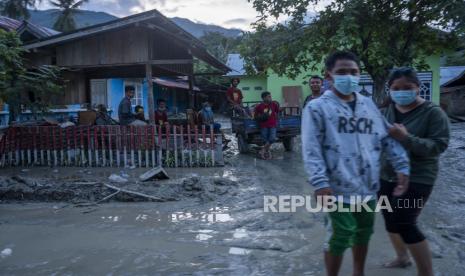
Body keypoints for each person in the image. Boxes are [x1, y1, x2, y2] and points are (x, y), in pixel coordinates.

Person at [301, 51, 410, 276]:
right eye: (342, 72)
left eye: (354, 72)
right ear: (328, 75)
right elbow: (311, 148)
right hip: (336, 187)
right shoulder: (317, 108)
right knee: (340, 234)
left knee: (363, 232)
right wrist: (320, 184)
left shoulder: (368, 105)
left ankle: (358, 272)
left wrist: (402, 166)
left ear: (359, 74)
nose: (348, 77)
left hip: (368, 186)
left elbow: (386, 136)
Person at [378, 67, 450, 276]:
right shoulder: (386, 111)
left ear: (418, 87)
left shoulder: (433, 113)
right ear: (389, 89)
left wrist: (406, 138)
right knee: (390, 218)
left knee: (406, 222)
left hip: (418, 177)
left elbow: (438, 146)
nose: (401, 92)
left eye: (407, 87)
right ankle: (402, 257)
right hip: (385, 174)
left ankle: (426, 272)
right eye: (396, 88)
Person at [254, 91, 280, 159]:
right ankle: (267, 152)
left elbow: (278, 111)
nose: (270, 98)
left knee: (272, 138)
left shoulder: (273, 104)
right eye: (269, 96)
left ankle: (262, 151)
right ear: (264, 98)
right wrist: (262, 117)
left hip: (273, 125)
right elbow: (255, 116)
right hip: (263, 126)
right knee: (264, 140)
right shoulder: (259, 106)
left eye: (270, 96)